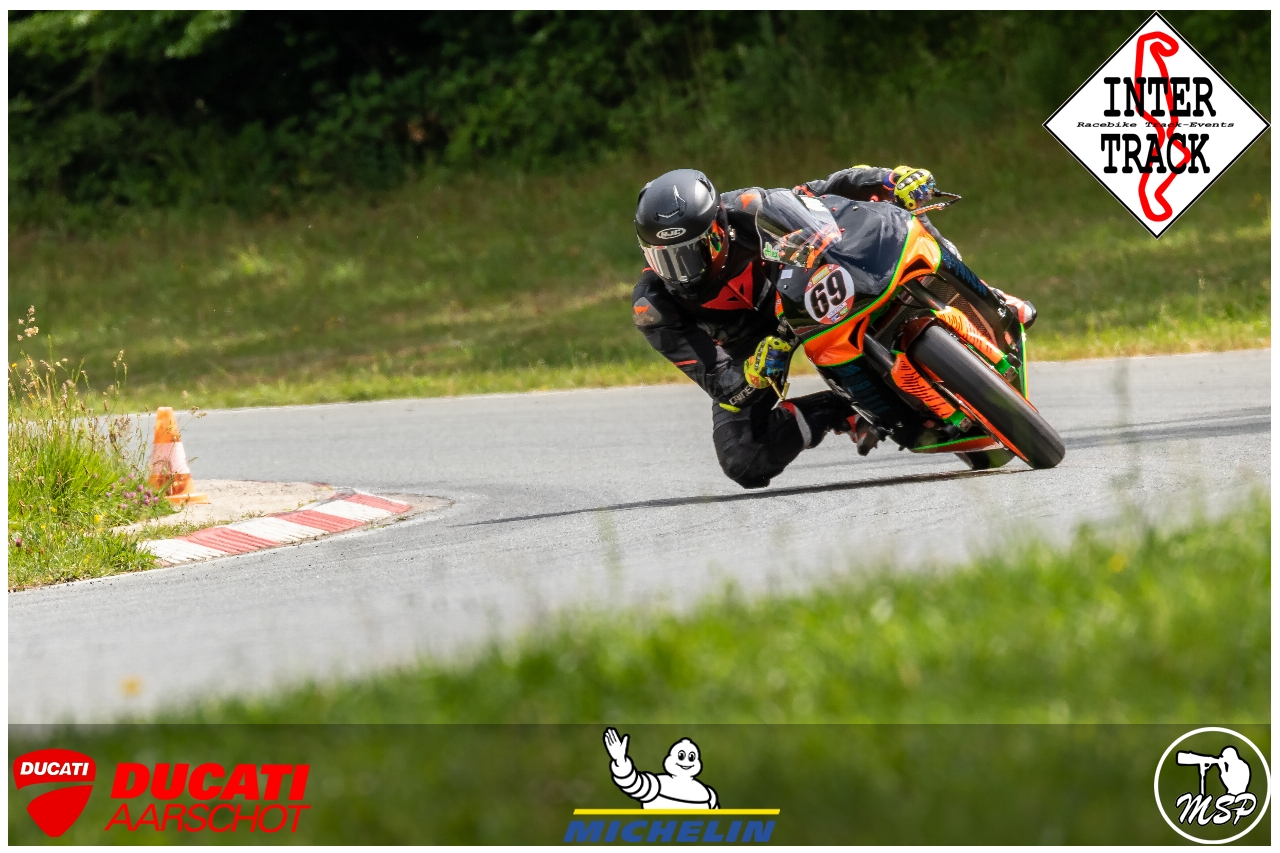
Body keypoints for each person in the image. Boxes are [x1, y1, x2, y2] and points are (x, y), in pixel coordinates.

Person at [633, 165, 1030, 489]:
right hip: (750, 348)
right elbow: (719, 381)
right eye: (666, 258)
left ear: (719, 227)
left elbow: (822, 190)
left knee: (900, 216)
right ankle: (844, 409)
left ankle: (986, 295)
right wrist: (752, 372)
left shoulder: (748, 207)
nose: (683, 272)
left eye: (694, 252)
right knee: (743, 460)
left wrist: (890, 179)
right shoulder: (653, 306)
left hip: (795, 289)